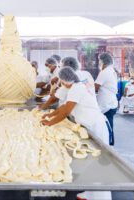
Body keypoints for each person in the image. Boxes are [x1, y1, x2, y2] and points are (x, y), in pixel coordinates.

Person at [41, 67, 112, 200]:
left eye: (61, 81)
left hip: (95, 126)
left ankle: (100, 197)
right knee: (89, 164)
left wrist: (50, 123)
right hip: (89, 125)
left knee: (97, 165)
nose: (61, 84)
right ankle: (87, 194)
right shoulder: (76, 87)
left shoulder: (76, 89)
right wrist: (50, 115)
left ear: (65, 81)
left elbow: (66, 111)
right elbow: (63, 107)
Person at [95, 52, 118, 146]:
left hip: (107, 104)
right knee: (107, 125)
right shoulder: (110, 70)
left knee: (107, 126)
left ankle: (109, 145)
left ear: (103, 62)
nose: (99, 63)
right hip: (110, 102)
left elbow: (95, 87)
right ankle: (108, 143)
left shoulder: (105, 72)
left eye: (99, 61)